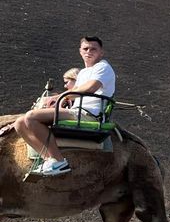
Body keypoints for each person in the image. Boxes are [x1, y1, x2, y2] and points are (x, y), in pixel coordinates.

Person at [14, 37, 116, 176]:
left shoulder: (103, 67)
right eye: (85, 49)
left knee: (31, 117)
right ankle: (49, 159)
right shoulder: (84, 72)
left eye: (93, 49)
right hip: (76, 112)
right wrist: (59, 100)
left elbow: (90, 88)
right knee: (19, 124)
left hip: (89, 116)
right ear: (80, 51)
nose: (89, 52)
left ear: (101, 52)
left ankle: (59, 161)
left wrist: (59, 97)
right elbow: (77, 92)